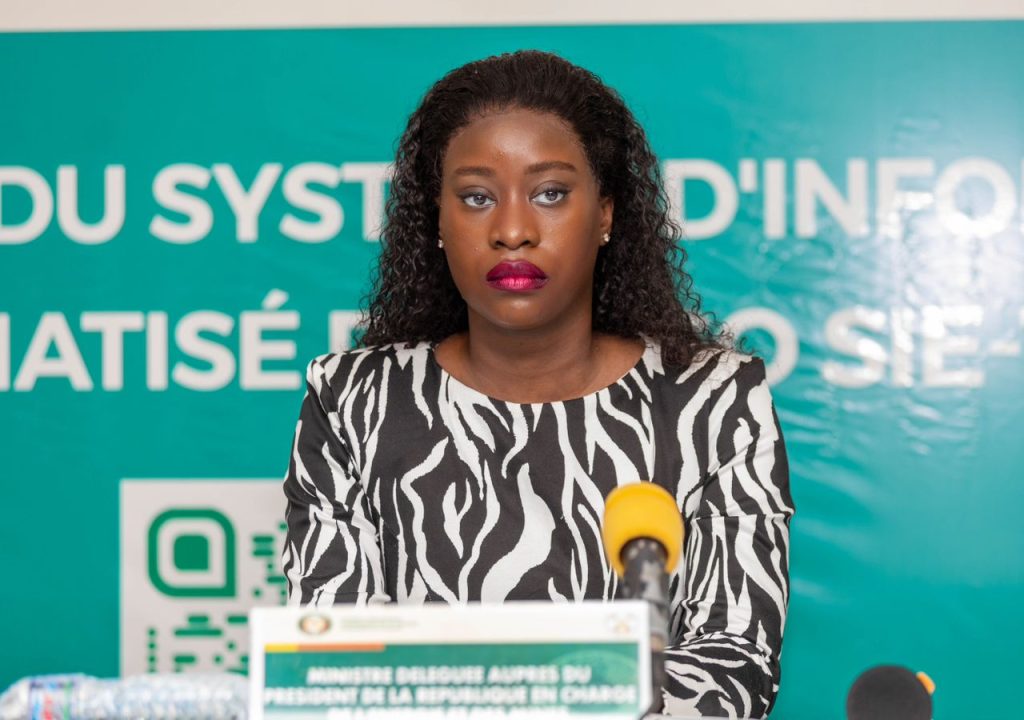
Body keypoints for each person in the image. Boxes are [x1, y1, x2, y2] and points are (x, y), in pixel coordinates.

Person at [282, 50, 794, 718]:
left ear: (605, 213)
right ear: (437, 220)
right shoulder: (354, 403)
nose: (513, 231)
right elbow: (337, 667)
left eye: (550, 193)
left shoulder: (714, 399)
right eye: (476, 197)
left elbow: (733, 666)